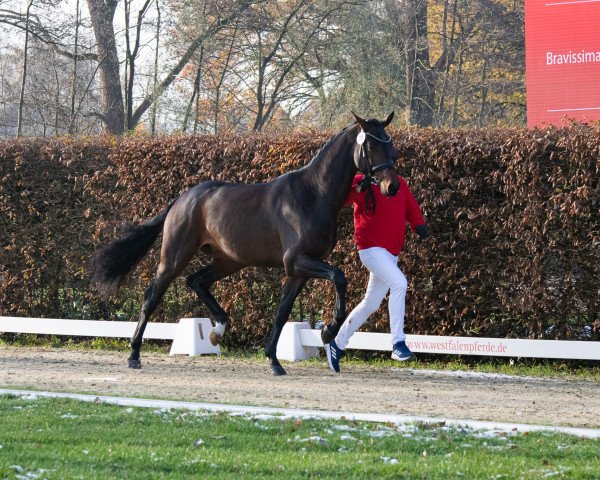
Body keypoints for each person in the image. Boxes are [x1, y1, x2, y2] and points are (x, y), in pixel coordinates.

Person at [324, 170, 428, 373]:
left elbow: (411, 207)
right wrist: (355, 188)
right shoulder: (361, 181)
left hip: (390, 254)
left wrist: (419, 224)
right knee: (400, 283)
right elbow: (341, 199)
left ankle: (337, 344)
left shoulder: (399, 184)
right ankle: (398, 344)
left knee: (371, 303)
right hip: (370, 249)